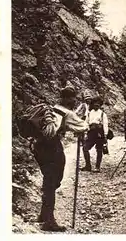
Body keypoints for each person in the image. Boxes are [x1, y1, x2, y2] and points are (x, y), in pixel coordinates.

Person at [32, 85, 88, 231]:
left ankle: (44, 215)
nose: (74, 100)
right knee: (53, 181)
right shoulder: (68, 113)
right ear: (69, 99)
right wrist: (81, 119)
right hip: (52, 147)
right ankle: (49, 222)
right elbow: (83, 126)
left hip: (38, 146)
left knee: (48, 179)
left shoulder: (52, 109)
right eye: (73, 97)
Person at [81, 96, 109, 173]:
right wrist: (86, 132)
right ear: (92, 104)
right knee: (85, 148)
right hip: (91, 133)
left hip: (100, 133)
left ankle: (97, 167)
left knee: (99, 150)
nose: (96, 105)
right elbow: (86, 123)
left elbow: (105, 125)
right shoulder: (89, 113)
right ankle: (88, 166)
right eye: (95, 104)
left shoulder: (103, 114)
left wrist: (105, 135)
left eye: (98, 104)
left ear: (100, 105)